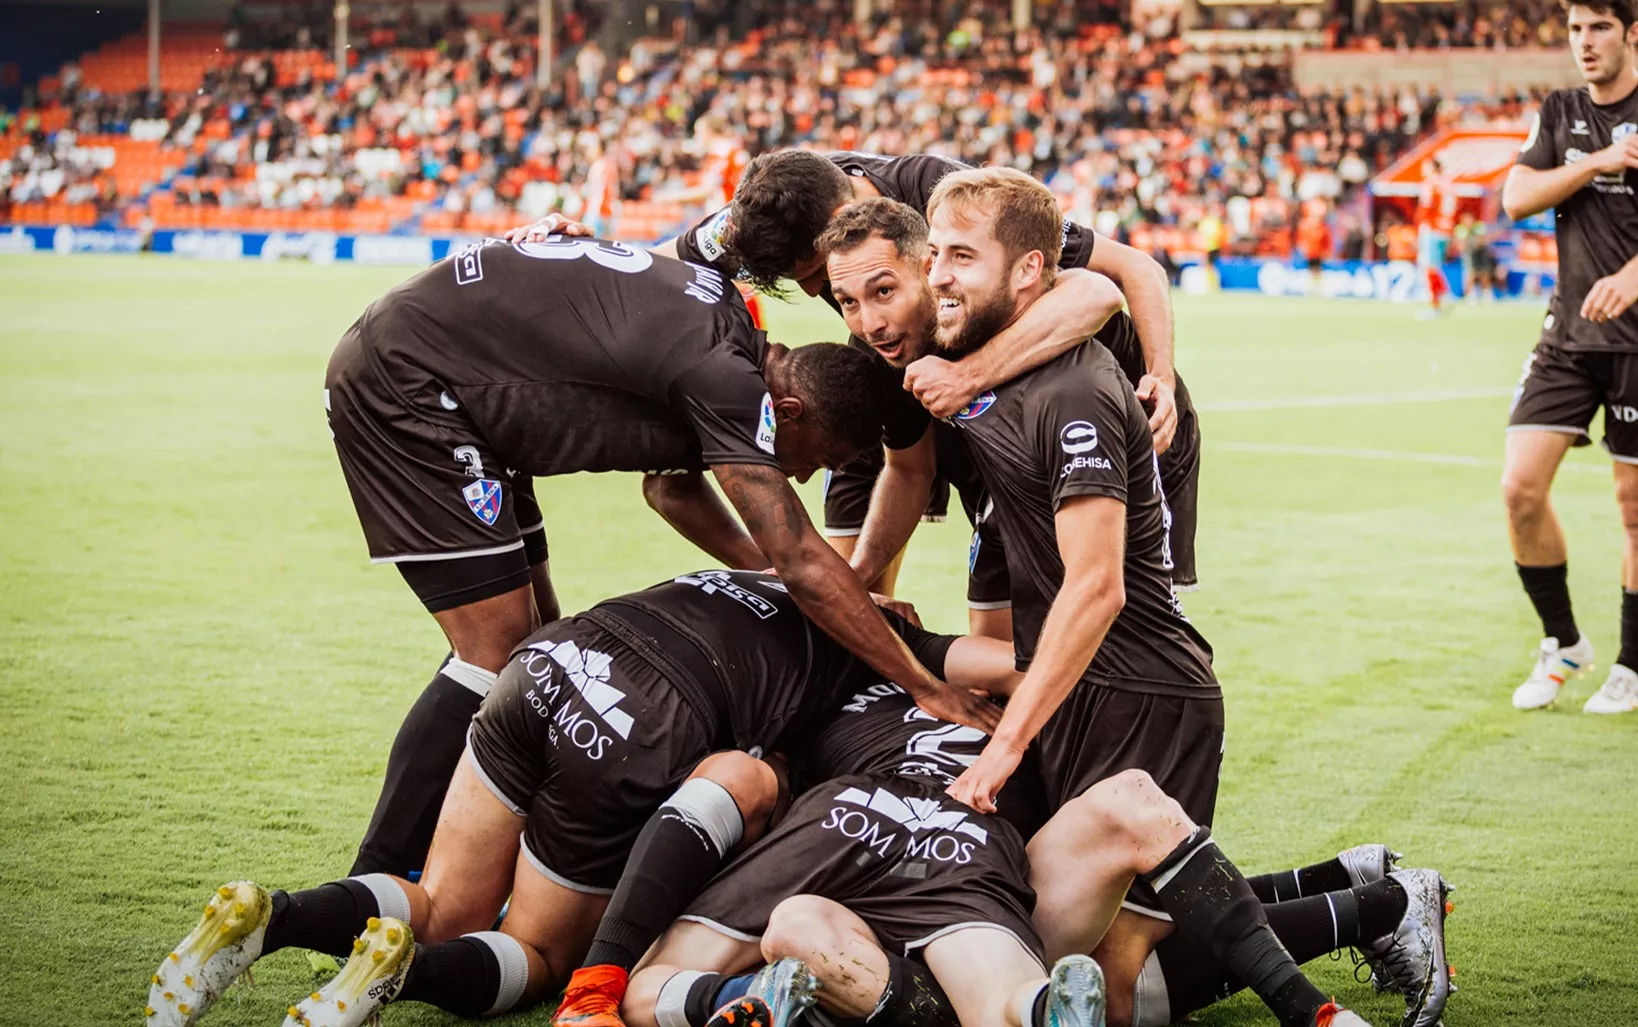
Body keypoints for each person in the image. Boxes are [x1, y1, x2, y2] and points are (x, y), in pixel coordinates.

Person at [814, 183, 1452, 1027]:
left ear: (1033, 271)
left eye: (958, 258)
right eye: (933, 258)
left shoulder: (1068, 386)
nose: (939, 279)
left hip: (1143, 693)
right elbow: (916, 471)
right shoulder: (985, 365)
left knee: (1124, 978)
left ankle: (1384, 909)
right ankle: (1355, 885)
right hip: (1091, 688)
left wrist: (1006, 745)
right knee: (1094, 922)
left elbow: (1098, 585)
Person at [325, 237, 977, 880]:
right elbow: (802, 556)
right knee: (492, 649)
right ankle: (372, 878)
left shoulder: (733, 333)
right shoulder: (729, 382)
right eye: (818, 458)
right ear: (790, 410)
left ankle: (467, 859)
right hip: (413, 377)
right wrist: (924, 683)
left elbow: (671, 489)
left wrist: (795, 579)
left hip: (464, 386)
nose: (803, 476)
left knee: (534, 645)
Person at [144, 571, 999, 1027]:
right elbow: (981, 660)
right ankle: (403, 971)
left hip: (553, 660)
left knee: (442, 900)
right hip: (640, 720)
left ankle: (275, 914)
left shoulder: (759, 572)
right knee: (539, 954)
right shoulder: (878, 637)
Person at [508, 150, 1205, 609]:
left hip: (1113, 413)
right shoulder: (773, 217)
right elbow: (659, 269)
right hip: (975, 409)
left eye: (823, 281)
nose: (821, 297)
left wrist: (1163, 380)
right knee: (936, 602)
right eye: (826, 291)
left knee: (1120, 618)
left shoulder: (945, 200)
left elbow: (1122, 276)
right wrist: (585, 254)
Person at [622, 662, 1449, 1027]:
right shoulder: (831, 706)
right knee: (800, 929)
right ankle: (1368, 893)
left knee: (1131, 863)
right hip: (881, 865)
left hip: (956, 858)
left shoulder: (998, 708)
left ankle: (1344, 945)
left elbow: (992, 652)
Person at [1501, 0, 1638, 714]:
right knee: (1520, 488)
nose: (1584, 43)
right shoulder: (1559, 111)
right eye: (1575, 29)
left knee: (1633, 507)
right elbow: (1517, 196)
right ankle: (1565, 643)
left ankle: (1633, 664)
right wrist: (1599, 162)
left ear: (1633, 32)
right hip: (1568, 335)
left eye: (1600, 28)